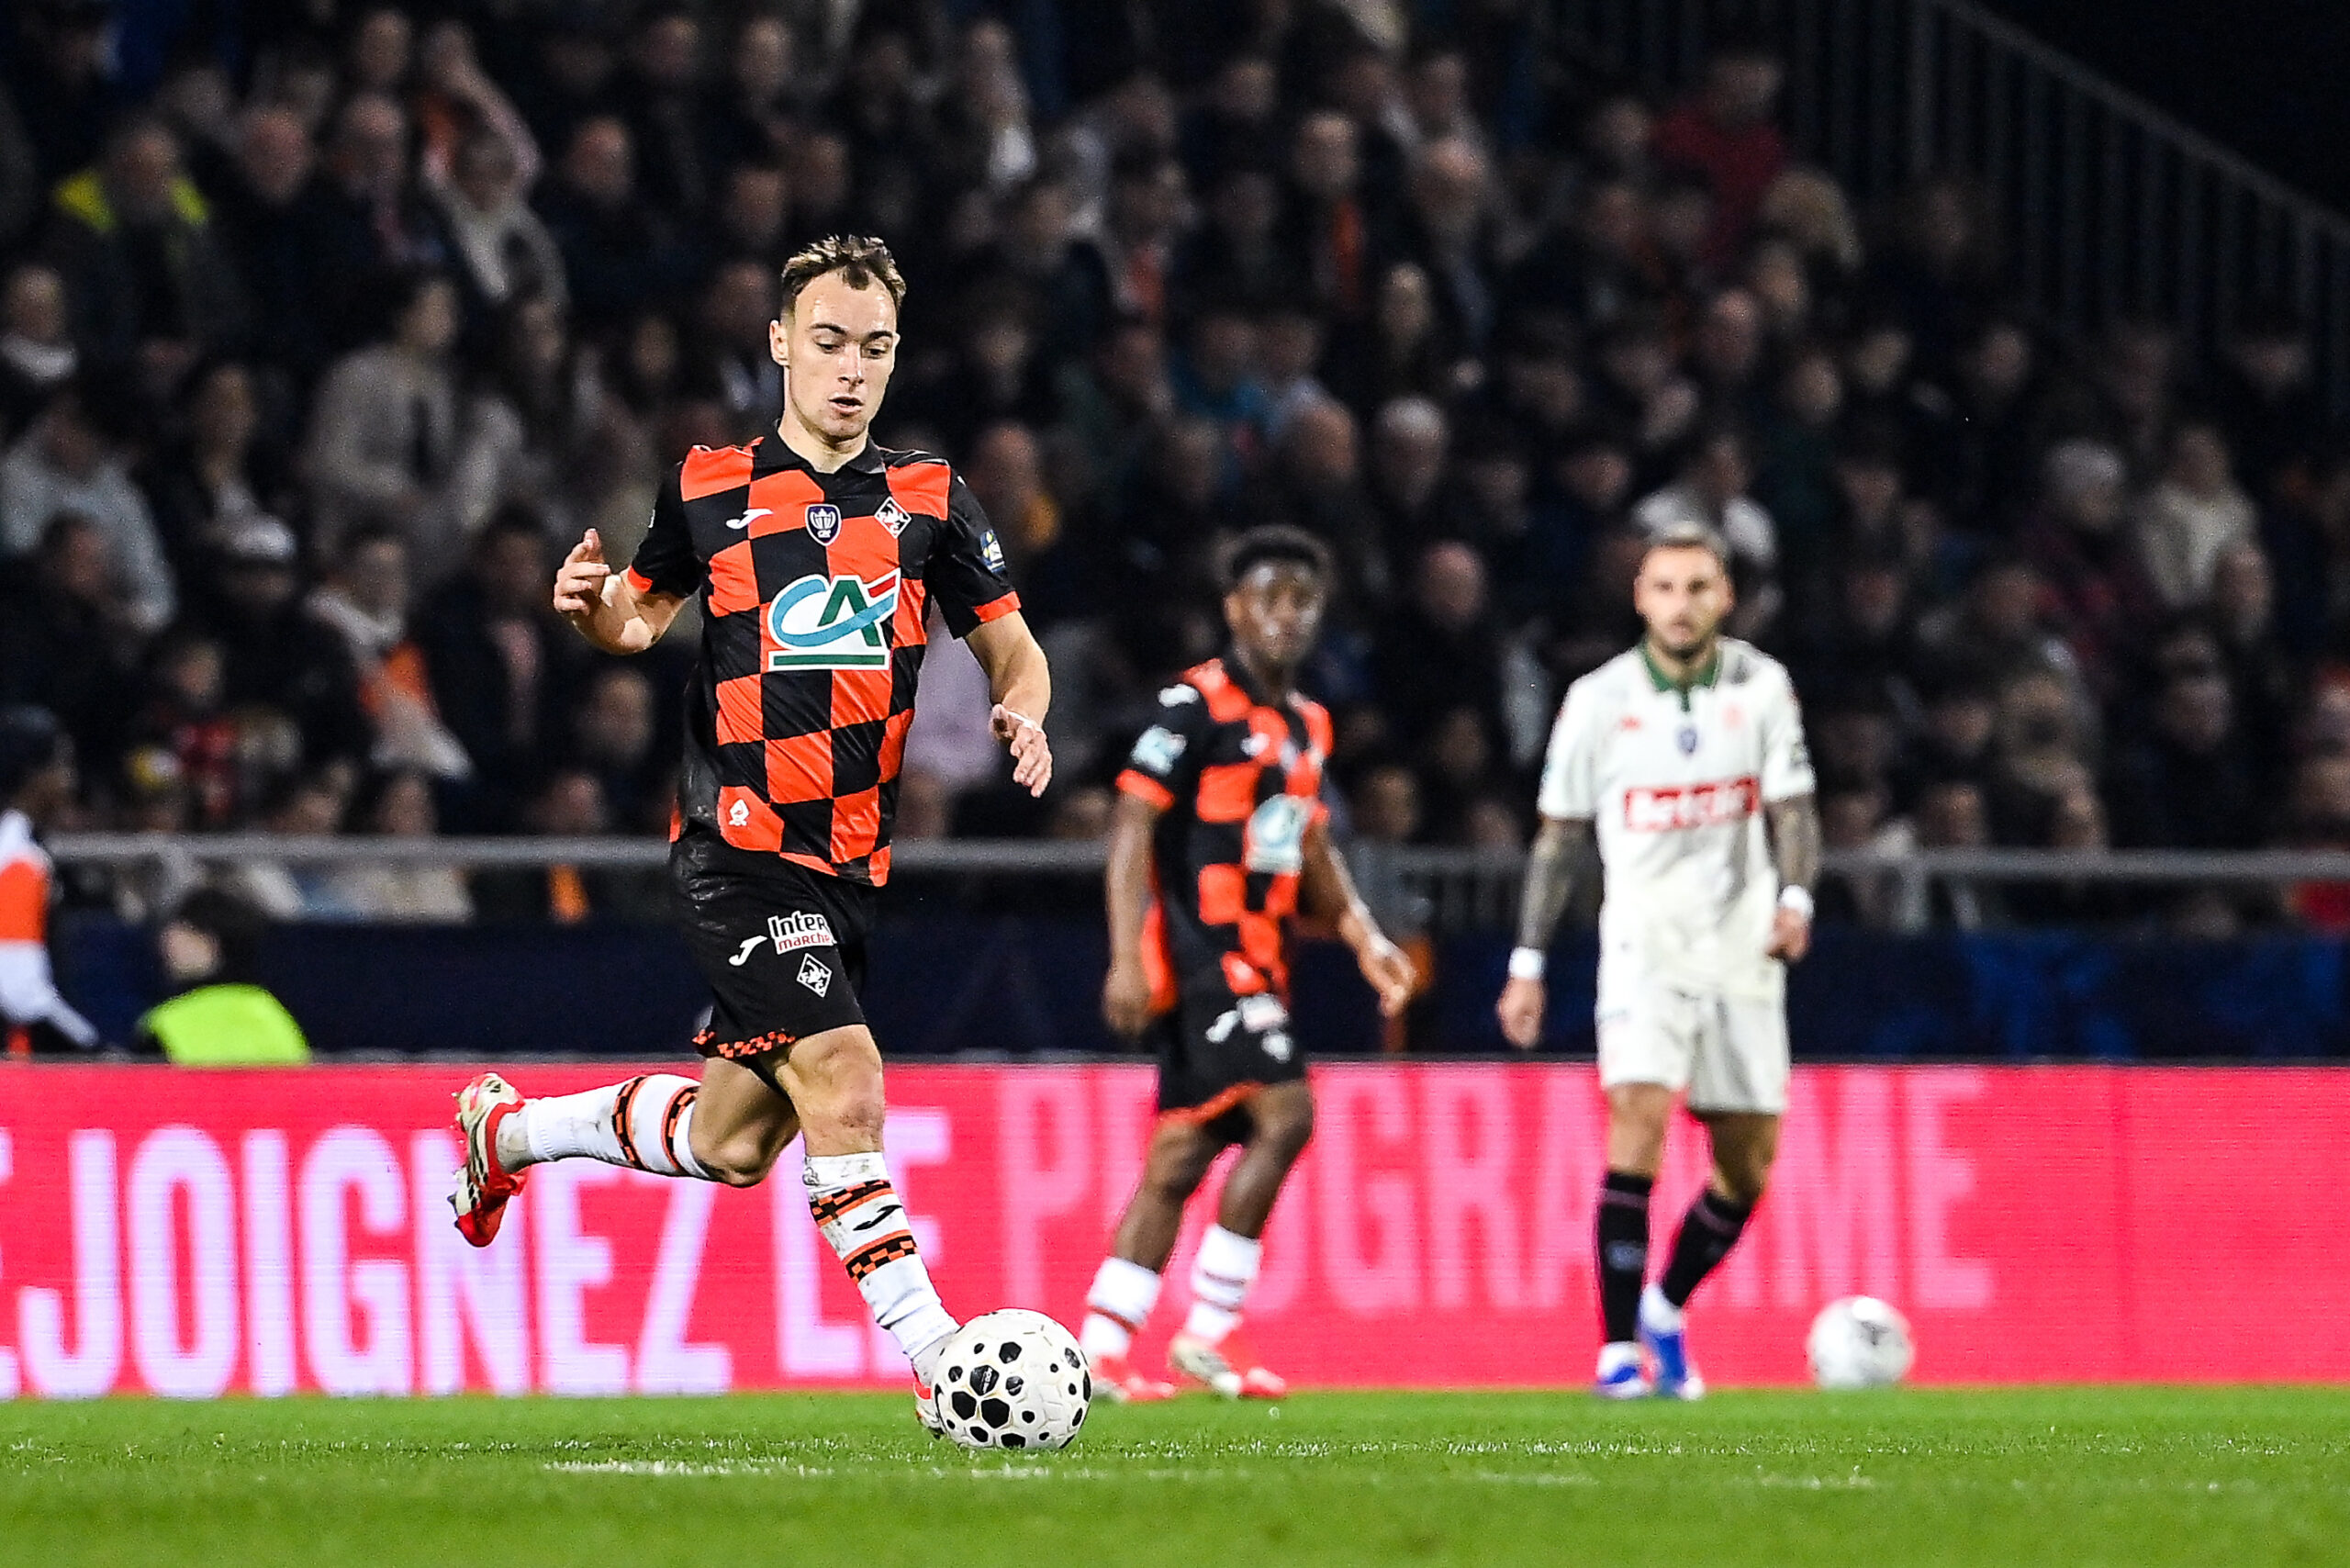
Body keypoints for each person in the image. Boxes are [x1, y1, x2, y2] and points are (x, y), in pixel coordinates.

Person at [445, 236, 1053, 1434]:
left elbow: (1011, 644)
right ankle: (946, 1365)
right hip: (738, 845)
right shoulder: (711, 487)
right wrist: (593, 611)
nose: (850, 369)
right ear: (780, 342)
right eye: (827, 341)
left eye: (873, 348)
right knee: (846, 1074)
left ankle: (507, 1131)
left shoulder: (931, 502)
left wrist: (1023, 711)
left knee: (732, 1146)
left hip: (849, 867)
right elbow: (638, 616)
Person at [1080, 526, 1415, 1402]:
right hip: (1199, 955)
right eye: (1269, 597)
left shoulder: (1309, 725)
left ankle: (1096, 1354)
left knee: (1183, 1156)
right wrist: (1125, 957)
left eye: (1303, 600)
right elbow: (1131, 831)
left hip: (1263, 965)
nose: (1287, 615)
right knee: (1289, 1113)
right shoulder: (1193, 705)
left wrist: (1365, 937)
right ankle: (1207, 1333)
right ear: (1235, 609)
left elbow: (1310, 845)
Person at [1495, 522, 1819, 1400]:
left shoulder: (1762, 686)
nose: (1682, 605)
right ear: (1641, 598)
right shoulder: (1598, 700)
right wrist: (1527, 961)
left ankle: (1667, 1307)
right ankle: (1613, 1353)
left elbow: (1793, 809)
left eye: (1699, 588)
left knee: (1747, 1164)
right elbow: (1558, 839)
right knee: (1635, 1122)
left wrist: (1795, 901)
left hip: (1743, 950)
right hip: (1643, 950)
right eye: (1666, 588)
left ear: (1725, 599)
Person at [0, 705, 99, 1057]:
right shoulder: (16, 856)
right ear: (32, 774)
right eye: (62, 767)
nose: (69, 782)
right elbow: (17, 989)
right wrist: (92, 1049)